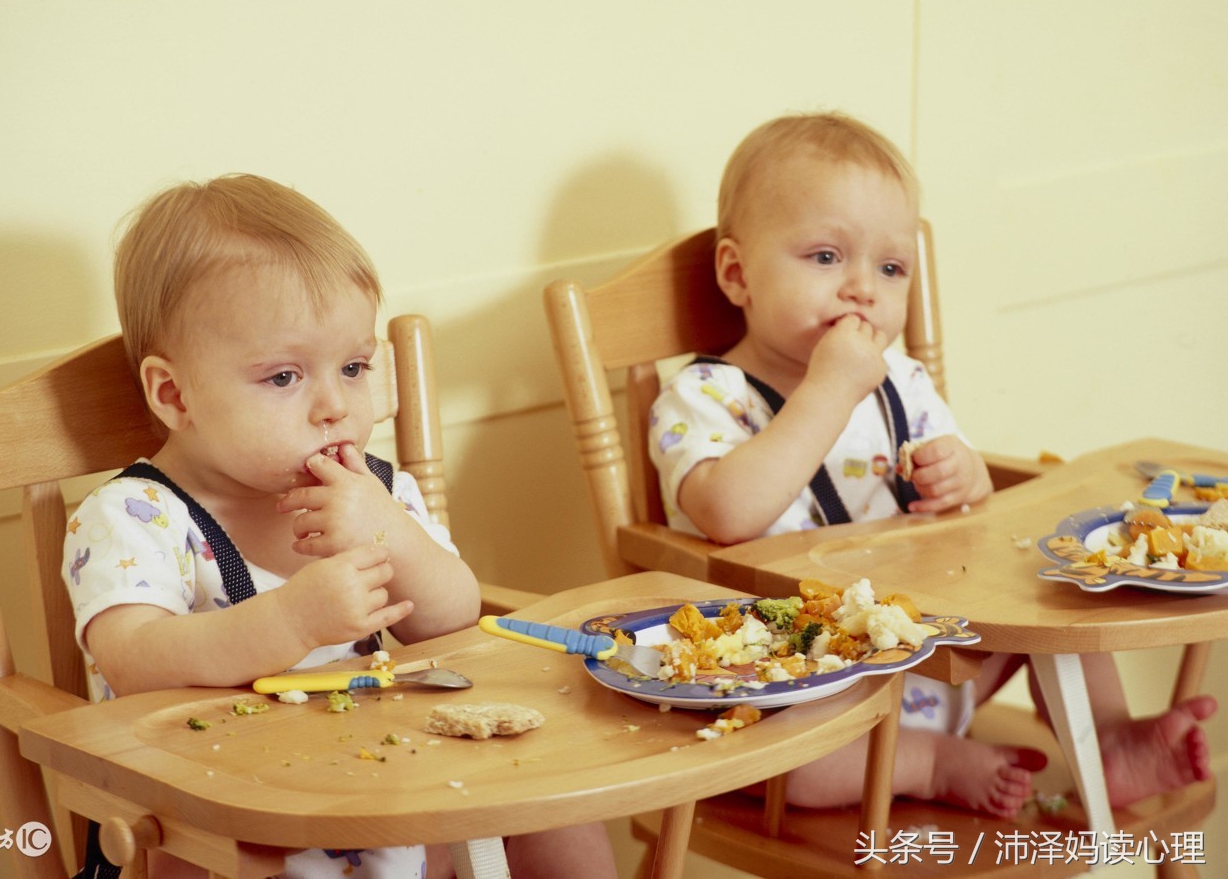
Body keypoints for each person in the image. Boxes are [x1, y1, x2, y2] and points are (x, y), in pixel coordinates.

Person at [648, 113, 1216, 817]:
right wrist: (829, 388)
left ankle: (1107, 743)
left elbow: (971, 501)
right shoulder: (704, 396)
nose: (862, 288)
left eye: (889, 268)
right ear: (737, 273)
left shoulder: (902, 382)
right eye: (827, 257)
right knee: (778, 764)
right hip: (799, 692)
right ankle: (927, 762)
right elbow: (728, 512)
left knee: (1059, 591)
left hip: (929, 662)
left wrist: (964, 476)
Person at [64, 174, 615, 878]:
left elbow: (454, 616)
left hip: (381, 779)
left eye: (353, 366)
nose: (334, 405)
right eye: (285, 377)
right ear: (174, 394)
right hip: (221, 819)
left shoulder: (374, 489)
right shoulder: (137, 516)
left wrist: (391, 534)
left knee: (557, 809)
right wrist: (289, 622)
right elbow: (132, 658)